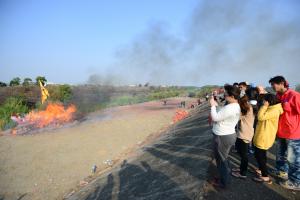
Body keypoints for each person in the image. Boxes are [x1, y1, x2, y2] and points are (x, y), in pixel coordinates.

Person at [269, 76, 300, 190]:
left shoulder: (294, 95)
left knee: (293, 159)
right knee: (281, 155)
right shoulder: (278, 96)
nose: (273, 87)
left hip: (293, 133)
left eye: (274, 84)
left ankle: (296, 182)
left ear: (282, 83)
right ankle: (281, 171)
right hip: (281, 132)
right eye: (271, 85)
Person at [209, 85, 241, 188]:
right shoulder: (235, 106)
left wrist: (213, 105)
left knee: (222, 160)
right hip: (228, 134)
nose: (224, 95)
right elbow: (222, 114)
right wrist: (216, 106)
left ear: (231, 96)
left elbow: (215, 117)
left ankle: (224, 182)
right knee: (223, 158)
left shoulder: (230, 107)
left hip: (222, 136)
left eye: (225, 94)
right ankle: (223, 176)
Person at [252, 93, 283, 183]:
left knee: (259, 156)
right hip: (263, 135)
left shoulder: (274, 110)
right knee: (261, 155)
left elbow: (260, 117)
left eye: (264, 100)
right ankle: (261, 169)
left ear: (269, 101)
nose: (263, 102)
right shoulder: (272, 109)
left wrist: (264, 107)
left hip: (264, 136)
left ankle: (265, 176)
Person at [231, 88, 256, 179]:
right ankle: (241, 168)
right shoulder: (247, 106)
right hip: (242, 133)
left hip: (245, 134)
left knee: (244, 154)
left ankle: (243, 173)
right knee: (241, 152)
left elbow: (236, 118)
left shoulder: (246, 108)